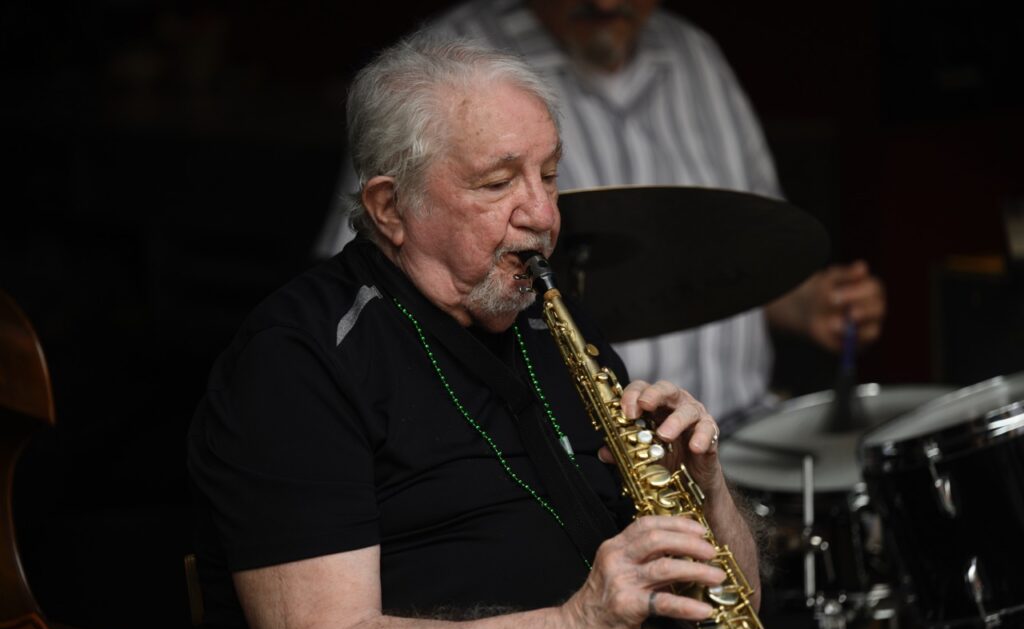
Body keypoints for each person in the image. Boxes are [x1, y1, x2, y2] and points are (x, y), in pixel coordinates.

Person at [187, 34, 762, 629]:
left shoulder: (556, 325)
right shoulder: (298, 361)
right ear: (391, 207)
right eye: (497, 183)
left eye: (550, 175)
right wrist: (577, 627)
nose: (543, 215)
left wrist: (705, 490)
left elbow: (736, 607)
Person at [315, 0, 886, 432]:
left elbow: (747, 246)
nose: (607, 4)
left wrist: (801, 302)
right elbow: (368, 282)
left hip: (744, 429)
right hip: (573, 450)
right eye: (499, 183)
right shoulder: (447, 60)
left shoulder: (697, 55)